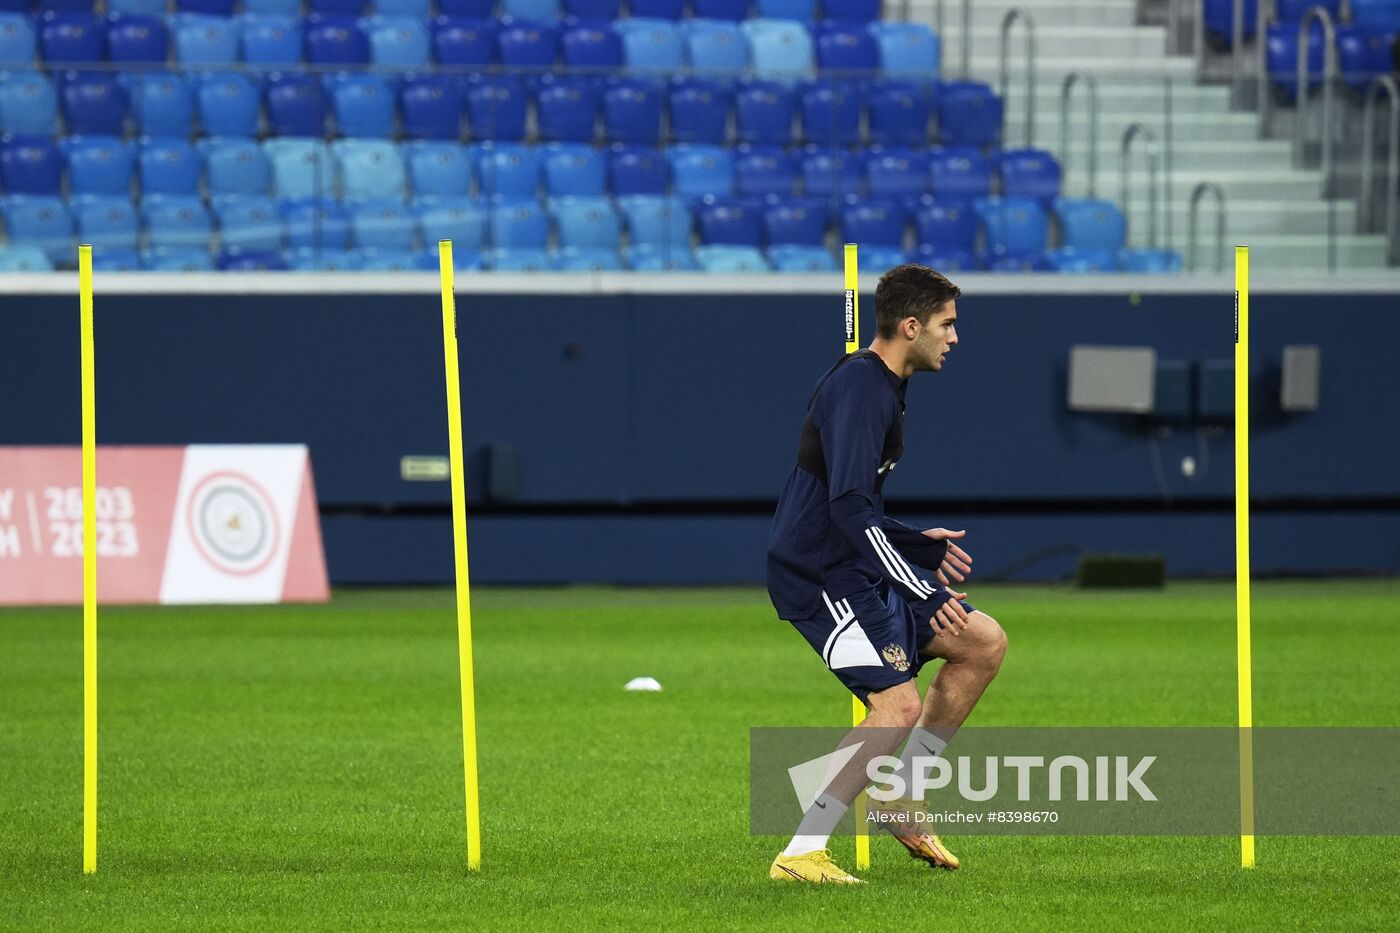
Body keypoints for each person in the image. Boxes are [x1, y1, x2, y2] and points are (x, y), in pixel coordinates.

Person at [765, 264, 1008, 884]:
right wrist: (920, 582)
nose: (954, 338)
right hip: (819, 573)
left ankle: (901, 795)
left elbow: (854, 505)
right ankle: (799, 854)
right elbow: (845, 508)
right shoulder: (862, 389)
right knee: (895, 706)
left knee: (981, 642)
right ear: (911, 326)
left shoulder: (883, 384)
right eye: (947, 325)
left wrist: (914, 545)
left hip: (856, 561)